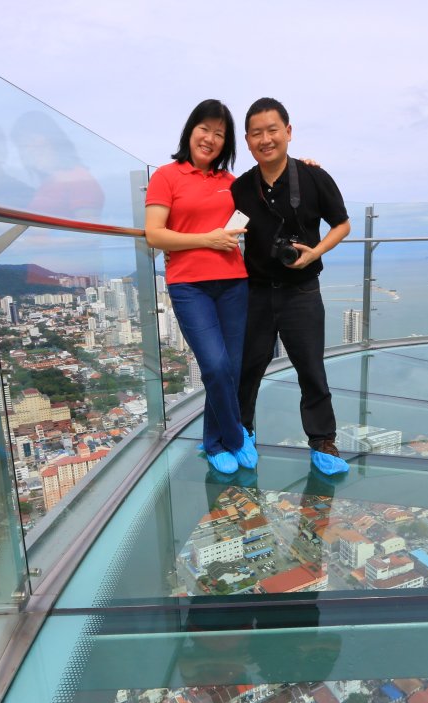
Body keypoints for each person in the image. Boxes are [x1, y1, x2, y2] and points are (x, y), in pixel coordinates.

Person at [232, 97, 352, 476]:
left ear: (288, 131)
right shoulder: (240, 188)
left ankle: (322, 440)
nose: (265, 139)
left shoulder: (314, 177)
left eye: (272, 130)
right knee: (249, 367)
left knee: (311, 368)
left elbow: (342, 224)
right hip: (256, 291)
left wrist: (314, 252)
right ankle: (243, 430)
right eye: (256, 133)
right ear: (248, 141)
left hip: (301, 291)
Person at [145, 99, 257, 475]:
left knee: (231, 369)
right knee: (215, 364)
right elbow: (154, 234)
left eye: (219, 134)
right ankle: (236, 436)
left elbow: (270, 188)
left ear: (226, 143)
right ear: (191, 130)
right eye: (204, 129)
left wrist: (304, 170)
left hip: (234, 284)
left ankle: (214, 443)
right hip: (190, 287)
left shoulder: (232, 183)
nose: (210, 138)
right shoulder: (167, 175)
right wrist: (206, 240)